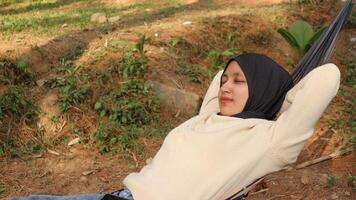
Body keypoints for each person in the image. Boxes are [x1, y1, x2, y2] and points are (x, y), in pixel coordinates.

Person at [12, 53, 341, 200]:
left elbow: (327, 77)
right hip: (114, 196)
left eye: (240, 82)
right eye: (226, 79)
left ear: (263, 90)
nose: (225, 87)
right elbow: (217, 82)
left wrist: (278, 101)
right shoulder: (207, 118)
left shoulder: (270, 141)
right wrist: (235, 79)